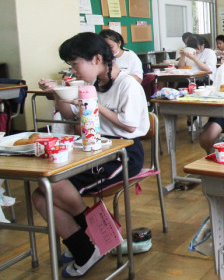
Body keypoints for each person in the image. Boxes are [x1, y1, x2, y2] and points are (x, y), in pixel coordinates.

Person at [35, 32, 148, 277]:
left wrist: (94, 103)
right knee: (40, 195)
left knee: (53, 185)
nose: (73, 71)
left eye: (75, 64)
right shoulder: (91, 85)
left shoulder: (127, 84)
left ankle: (93, 237)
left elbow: (130, 125)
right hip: (94, 149)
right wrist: (58, 92)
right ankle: (86, 246)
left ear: (97, 59)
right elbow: (69, 116)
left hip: (123, 153)